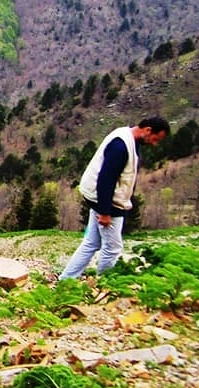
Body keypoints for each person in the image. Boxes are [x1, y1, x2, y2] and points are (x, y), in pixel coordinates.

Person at [59, 116, 170, 280]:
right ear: (147, 130)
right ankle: (105, 283)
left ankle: (66, 279)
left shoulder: (124, 136)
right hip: (108, 203)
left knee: (91, 243)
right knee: (112, 248)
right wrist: (104, 212)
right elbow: (106, 178)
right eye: (156, 138)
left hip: (97, 198)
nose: (155, 143)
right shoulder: (121, 147)